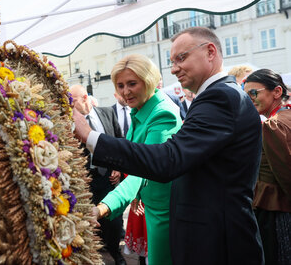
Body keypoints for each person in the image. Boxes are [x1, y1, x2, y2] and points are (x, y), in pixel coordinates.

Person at [73, 27, 264, 265]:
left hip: (215, 238)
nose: (174, 68)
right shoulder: (215, 96)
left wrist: (91, 136)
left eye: (181, 58)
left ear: (210, 52)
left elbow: (165, 160)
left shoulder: (219, 97)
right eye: (172, 61)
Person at [93, 54, 182, 265]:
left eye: (132, 83)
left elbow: (141, 171)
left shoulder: (162, 114)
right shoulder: (141, 108)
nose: (125, 91)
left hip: (166, 212)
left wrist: (102, 208)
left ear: (149, 80)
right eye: (121, 85)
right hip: (152, 206)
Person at [69, 84, 127, 265]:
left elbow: (119, 140)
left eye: (72, 101)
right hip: (86, 180)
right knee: (91, 221)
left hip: (109, 178)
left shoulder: (107, 113)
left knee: (115, 221)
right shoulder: (69, 122)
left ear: (85, 98)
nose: (69, 105)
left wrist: (118, 167)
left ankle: (116, 253)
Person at [244, 69, 291, 265]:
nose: (249, 99)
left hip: (276, 209)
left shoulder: (273, 125)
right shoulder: (285, 116)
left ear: (277, 92)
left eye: (254, 93)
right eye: (246, 94)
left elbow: (286, 174)